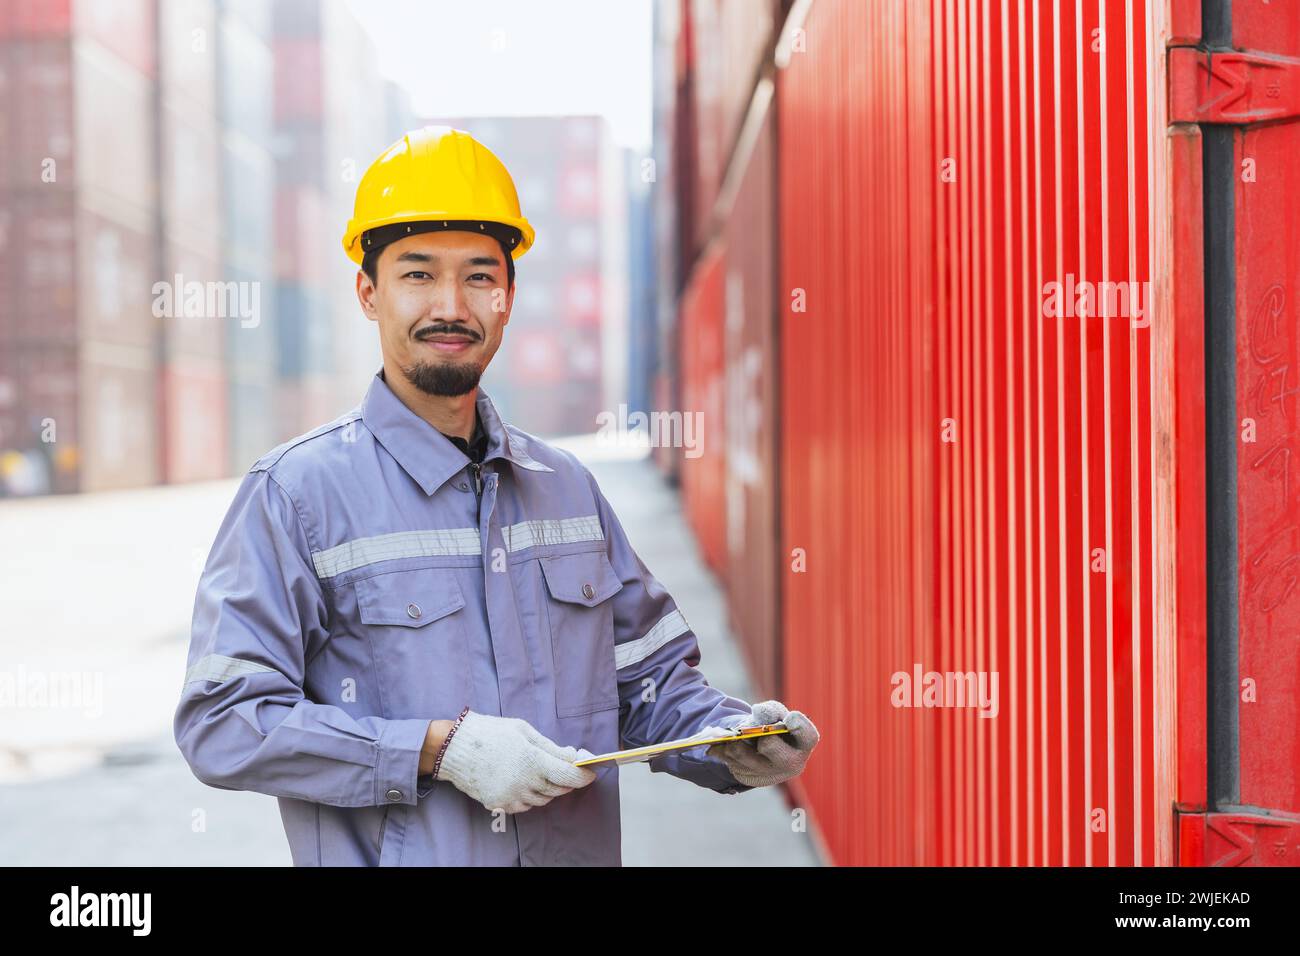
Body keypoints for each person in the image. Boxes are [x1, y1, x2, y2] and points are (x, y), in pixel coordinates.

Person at [173, 126, 819, 866]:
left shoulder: (567, 490)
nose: (451, 304)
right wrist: (436, 750)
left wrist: (730, 741)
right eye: (418, 274)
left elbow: (650, 683)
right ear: (367, 293)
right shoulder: (296, 495)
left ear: (508, 296)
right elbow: (221, 722)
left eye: (479, 276)